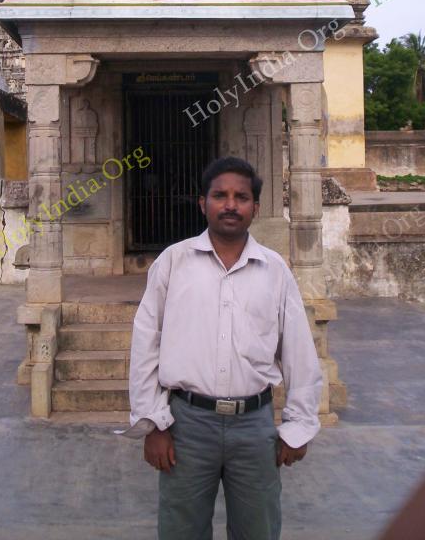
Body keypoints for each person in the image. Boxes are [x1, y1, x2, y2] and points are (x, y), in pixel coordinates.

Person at [126, 156, 323, 540]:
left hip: (255, 427)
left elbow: (298, 350)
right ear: (203, 203)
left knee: (258, 531)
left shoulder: (275, 270)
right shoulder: (174, 263)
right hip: (186, 426)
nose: (230, 205)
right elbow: (146, 343)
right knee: (181, 530)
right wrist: (153, 424)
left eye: (241, 197)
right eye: (220, 196)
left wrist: (298, 425)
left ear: (255, 207)